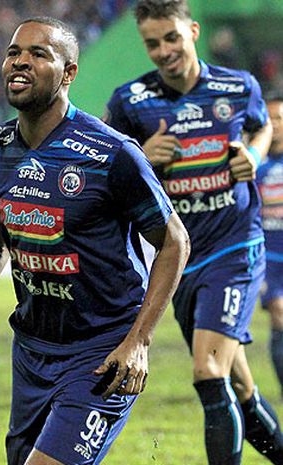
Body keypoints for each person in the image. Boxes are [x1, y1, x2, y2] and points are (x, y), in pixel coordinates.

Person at [0, 17, 190, 465]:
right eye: (14, 52)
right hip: (33, 350)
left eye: (39, 54)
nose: (20, 62)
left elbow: (173, 242)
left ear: (69, 72)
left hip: (102, 351)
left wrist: (139, 342)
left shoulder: (111, 154)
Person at [104, 1, 283, 463]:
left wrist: (256, 155)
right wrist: (143, 154)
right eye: (152, 43)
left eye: (172, 38)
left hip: (235, 246)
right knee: (238, 385)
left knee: (206, 371)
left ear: (194, 32)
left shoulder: (237, 86)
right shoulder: (130, 101)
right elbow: (105, 173)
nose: (163, 51)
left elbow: (261, 129)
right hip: (176, 259)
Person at [257, 93, 283, 396]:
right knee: (279, 311)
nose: (274, 125)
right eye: (270, 119)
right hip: (271, 259)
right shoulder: (254, 165)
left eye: (280, 119)